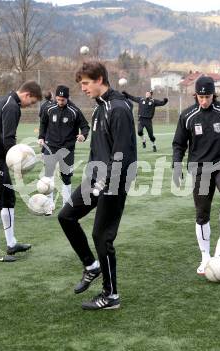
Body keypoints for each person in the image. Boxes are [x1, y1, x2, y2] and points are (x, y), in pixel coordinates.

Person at [58, 61, 137, 310]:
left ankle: (111, 295)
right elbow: (97, 151)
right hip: (96, 178)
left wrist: (106, 183)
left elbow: (123, 155)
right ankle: (91, 266)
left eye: (86, 83)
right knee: (66, 216)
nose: (82, 88)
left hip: (114, 181)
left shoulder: (119, 109)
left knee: (102, 235)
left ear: (100, 79)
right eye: (81, 83)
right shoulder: (98, 109)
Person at [172, 76, 220, 275]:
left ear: (214, 94)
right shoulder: (187, 116)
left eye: (207, 96)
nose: (204, 101)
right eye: (200, 97)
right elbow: (179, 144)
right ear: (195, 95)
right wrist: (176, 165)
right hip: (200, 169)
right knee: (202, 214)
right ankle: (205, 256)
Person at [0, 81, 42, 262]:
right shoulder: (13, 107)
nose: (31, 105)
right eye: (33, 102)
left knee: (8, 199)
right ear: (27, 94)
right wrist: (18, 162)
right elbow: (8, 139)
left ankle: (11, 243)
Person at [38, 85, 89, 212]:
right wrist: (41, 137)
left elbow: (85, 126)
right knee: (48, 176)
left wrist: (83, 135)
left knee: (66, 177)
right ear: (55, 97)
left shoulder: (74, 111)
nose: (60, 102)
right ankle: (48, 206)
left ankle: (66, 206)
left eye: (63, 100)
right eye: (58, 99)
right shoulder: (49, 108)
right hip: (50, 146)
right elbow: (43, 123)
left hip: (67, 148)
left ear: (68, 98)